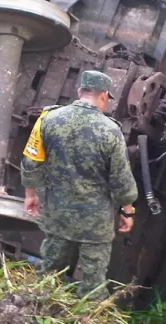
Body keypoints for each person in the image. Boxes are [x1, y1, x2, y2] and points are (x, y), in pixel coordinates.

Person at [20, 70, 138, 300]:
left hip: (57, 215)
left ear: (79, 92)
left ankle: (35, 311)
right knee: (93, 286)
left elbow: (31, 162)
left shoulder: (48, 118)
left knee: (48, 274)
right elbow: (121, 180)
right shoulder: (111, 131)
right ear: (104, 96)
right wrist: (127, 210)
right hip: (95, 224)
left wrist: (30, 195)